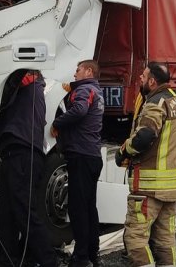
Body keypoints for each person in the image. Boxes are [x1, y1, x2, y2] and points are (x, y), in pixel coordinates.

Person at [115, 62, 176, 267]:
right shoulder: (175, 102)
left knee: (135, 240)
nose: (140, 78)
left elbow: (145, 136)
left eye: (143, 75)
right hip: (171, 188)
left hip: (150, 186)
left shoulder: (155, 103)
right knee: (165, 241)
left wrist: (124, 151)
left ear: (152, 81)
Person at [0, 69, 59, 267]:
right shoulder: (34, 89)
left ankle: (48, 261)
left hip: (22, 151)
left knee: (23, 213)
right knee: (7, 213)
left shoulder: (27, 80)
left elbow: (9, 89)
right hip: (18, 151)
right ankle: (8, 261)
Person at [52, 60, 105, 267]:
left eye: (78, 70)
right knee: (90, 207)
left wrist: (58, 123)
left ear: (89, 71)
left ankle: (81, 258)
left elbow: (80, 110)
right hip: (92, 156)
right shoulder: (97, 92)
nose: (75, 74)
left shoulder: (84, 90)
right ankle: (92, 253)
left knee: (78, 209)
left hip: (81, 156)